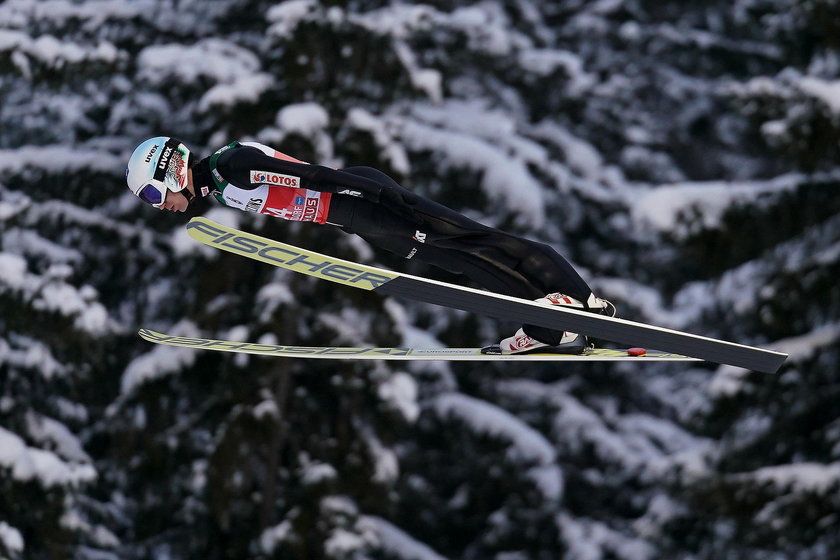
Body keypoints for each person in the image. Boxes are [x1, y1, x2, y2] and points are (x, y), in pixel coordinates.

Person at [125, 136, 615, 354]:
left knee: (475, 240)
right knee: (463, 265)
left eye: (152, 192)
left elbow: (306, 175)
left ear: (171, 169)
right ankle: (550, 324)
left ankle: (580, 298)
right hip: (360, 218)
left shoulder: (231, 167)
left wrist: (378, 196)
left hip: (367, 202)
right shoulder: (219, 182)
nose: (157, 204)